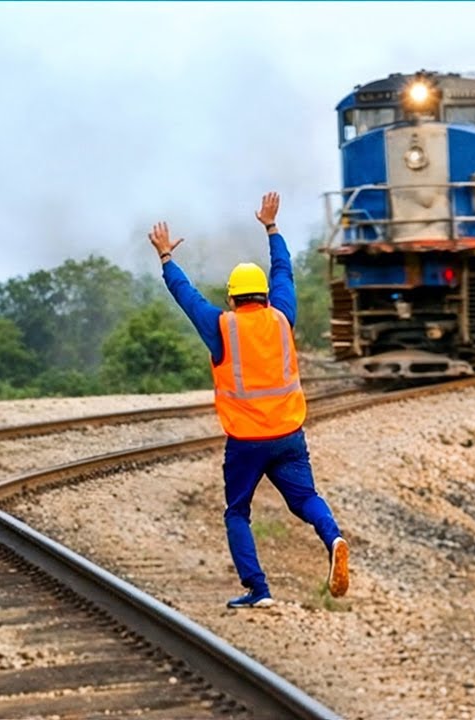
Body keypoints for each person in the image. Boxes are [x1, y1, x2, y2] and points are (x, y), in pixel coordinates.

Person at [148, 192, 349, 609]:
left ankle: (259, 590)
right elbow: (284, 271)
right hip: (289, 435)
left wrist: (166, 257)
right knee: (305, 499)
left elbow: (186, 296)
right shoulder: (282, 316)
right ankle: (333, 537)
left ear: (232, 298)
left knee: (237, 512)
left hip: (246, 443)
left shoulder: (221, 326)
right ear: (264, 295)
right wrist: (271, 228)